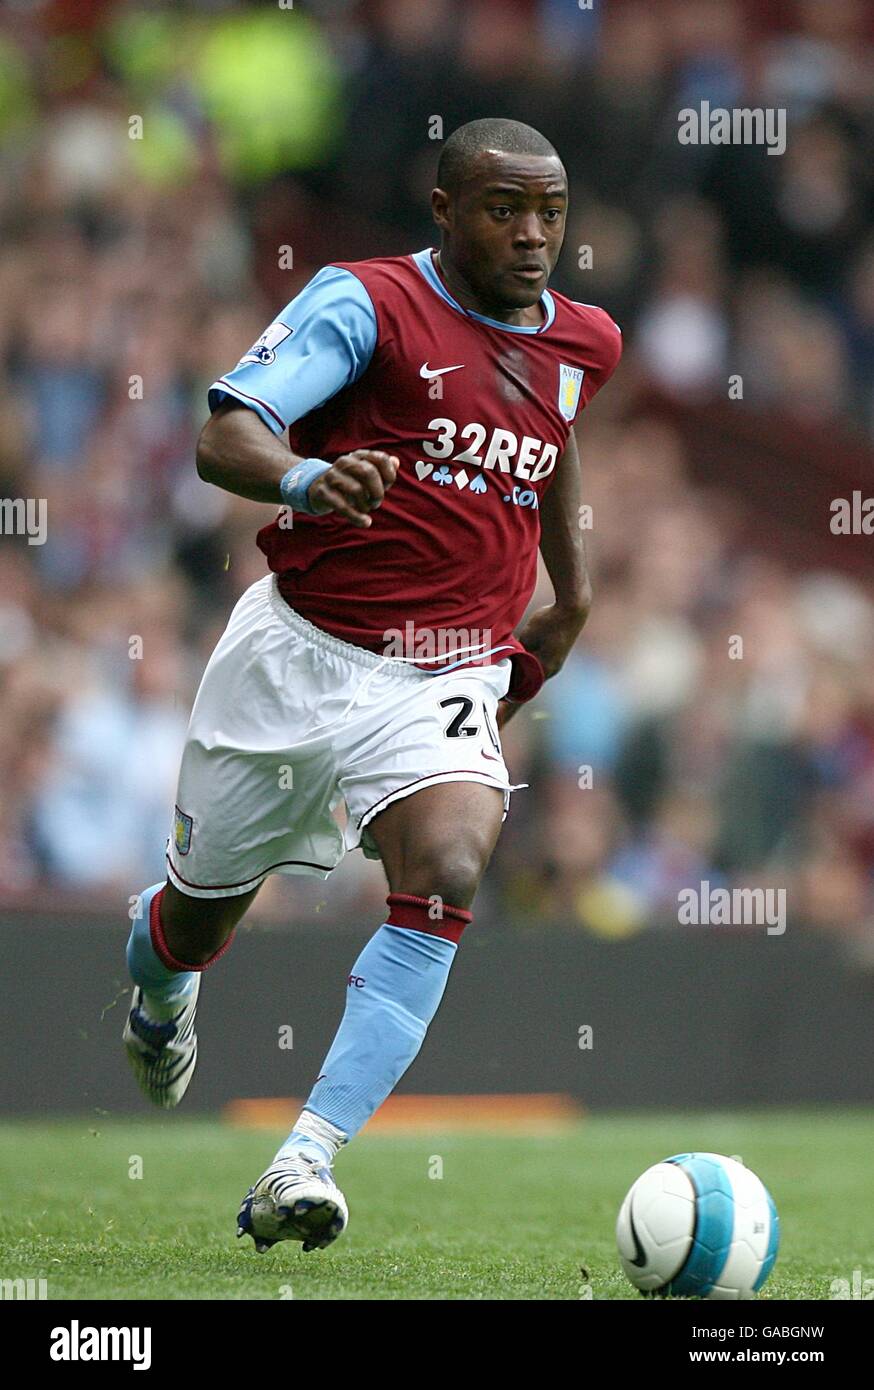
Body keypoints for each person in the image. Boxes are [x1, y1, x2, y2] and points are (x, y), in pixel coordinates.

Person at [122, 118, 622, 1254]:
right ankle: (160, 991)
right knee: (196, 925)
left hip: (441, 671)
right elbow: (225, 434)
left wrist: (574, 587)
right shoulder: (366, 303)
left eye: (550, 211)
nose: (533, 234)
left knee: (448, 867)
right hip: (295, 653)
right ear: (443, 210)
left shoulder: (585, 340)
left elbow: (553, 427)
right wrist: (305, 475)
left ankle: (305, 1156)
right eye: (504, 208)